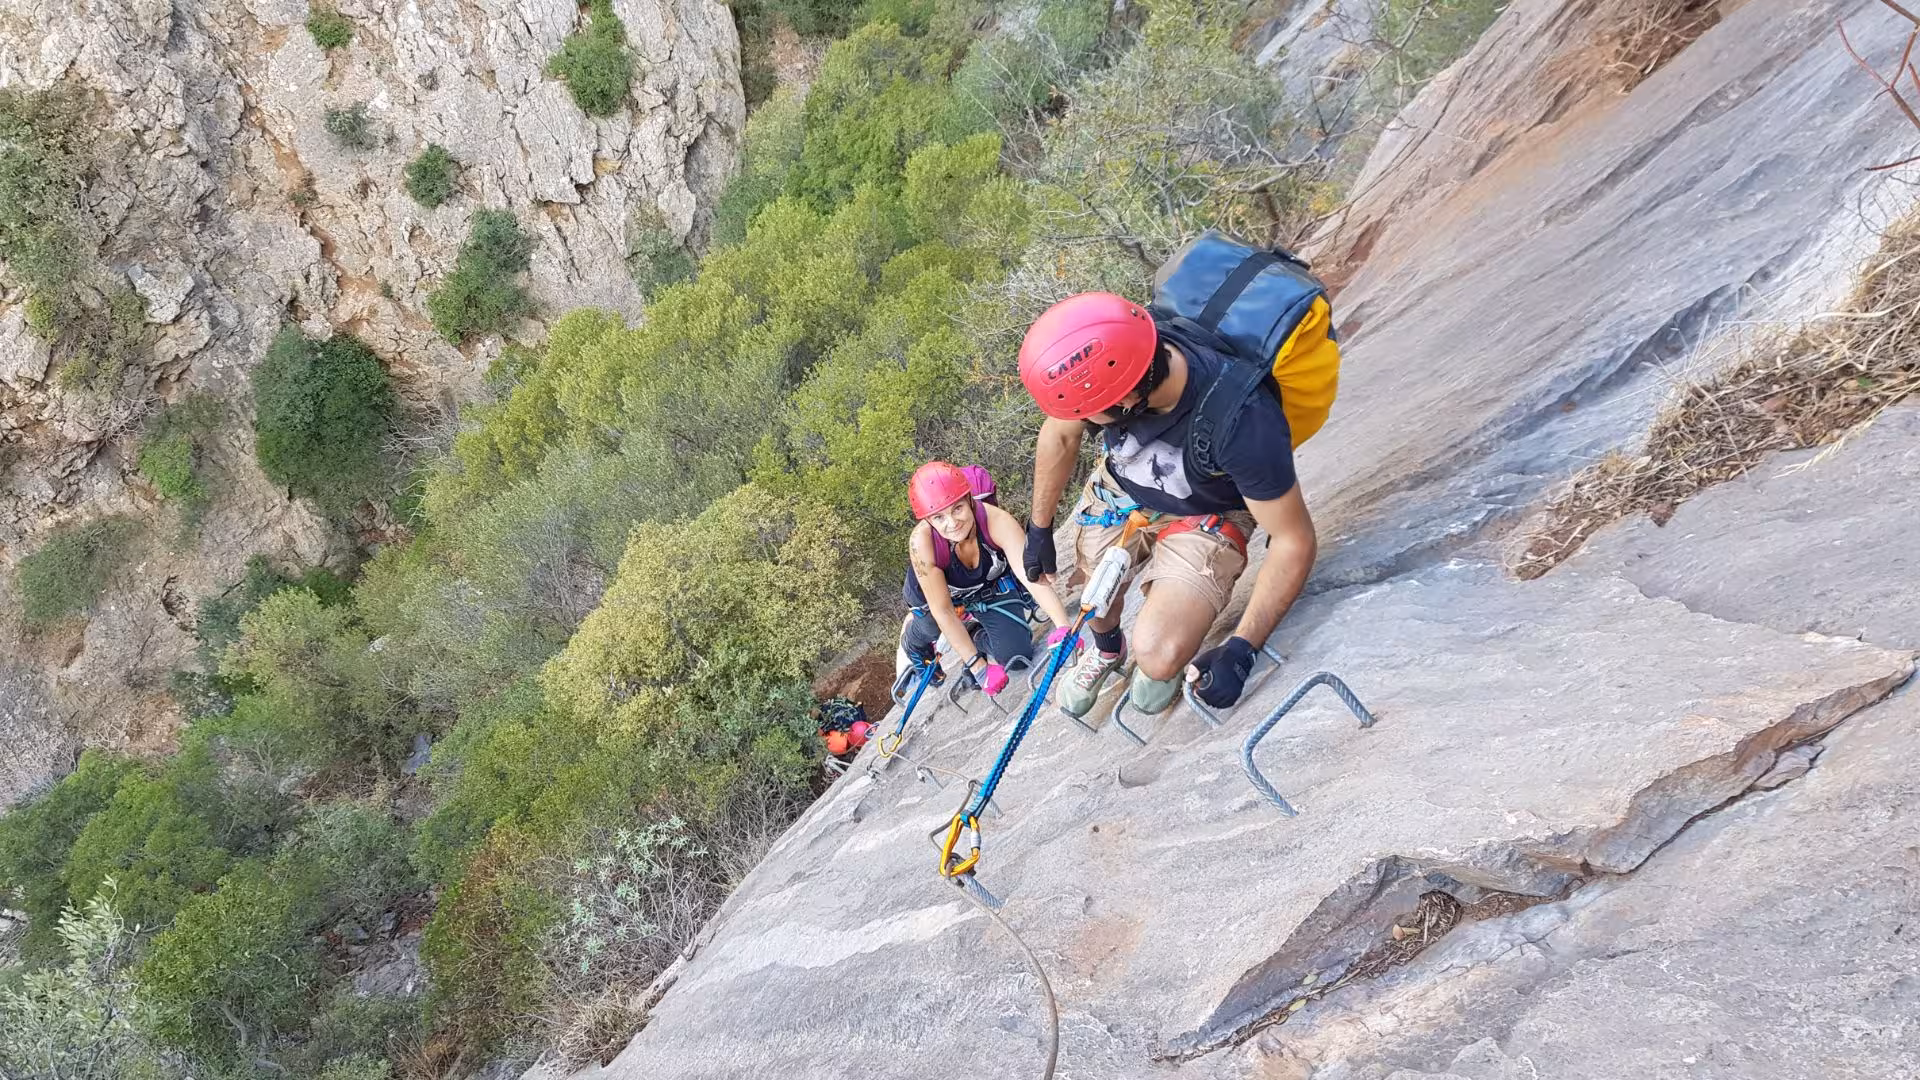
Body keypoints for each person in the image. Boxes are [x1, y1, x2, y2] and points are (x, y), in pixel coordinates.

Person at [1016, 292, 1317, 718]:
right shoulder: (1123, 354)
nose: (1083, 420)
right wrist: (1039, 528)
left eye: (1091, 413)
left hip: (1207, 512)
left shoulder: (1241, 420)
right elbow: (1060, 433)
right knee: (1096, 594)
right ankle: (1107, 650)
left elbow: (1294, 540)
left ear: (1125, 401)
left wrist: (1243, 648)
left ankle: (1157, 649)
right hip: (1123, 491)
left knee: (1157, 656)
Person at [900, 462, 1074, 698]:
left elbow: (1030, 575)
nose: (951, 523)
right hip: (935, 599)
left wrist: (1063, 626)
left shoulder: (996, 521)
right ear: (928, 521)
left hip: (984, 587)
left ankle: (975, 635)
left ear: (969, 499)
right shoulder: (922, 543)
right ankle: (913, 639)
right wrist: (979, 669)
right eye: (939, 517)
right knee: (932, 626)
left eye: (957, 509)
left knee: (1016, 657)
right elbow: (943, 611)